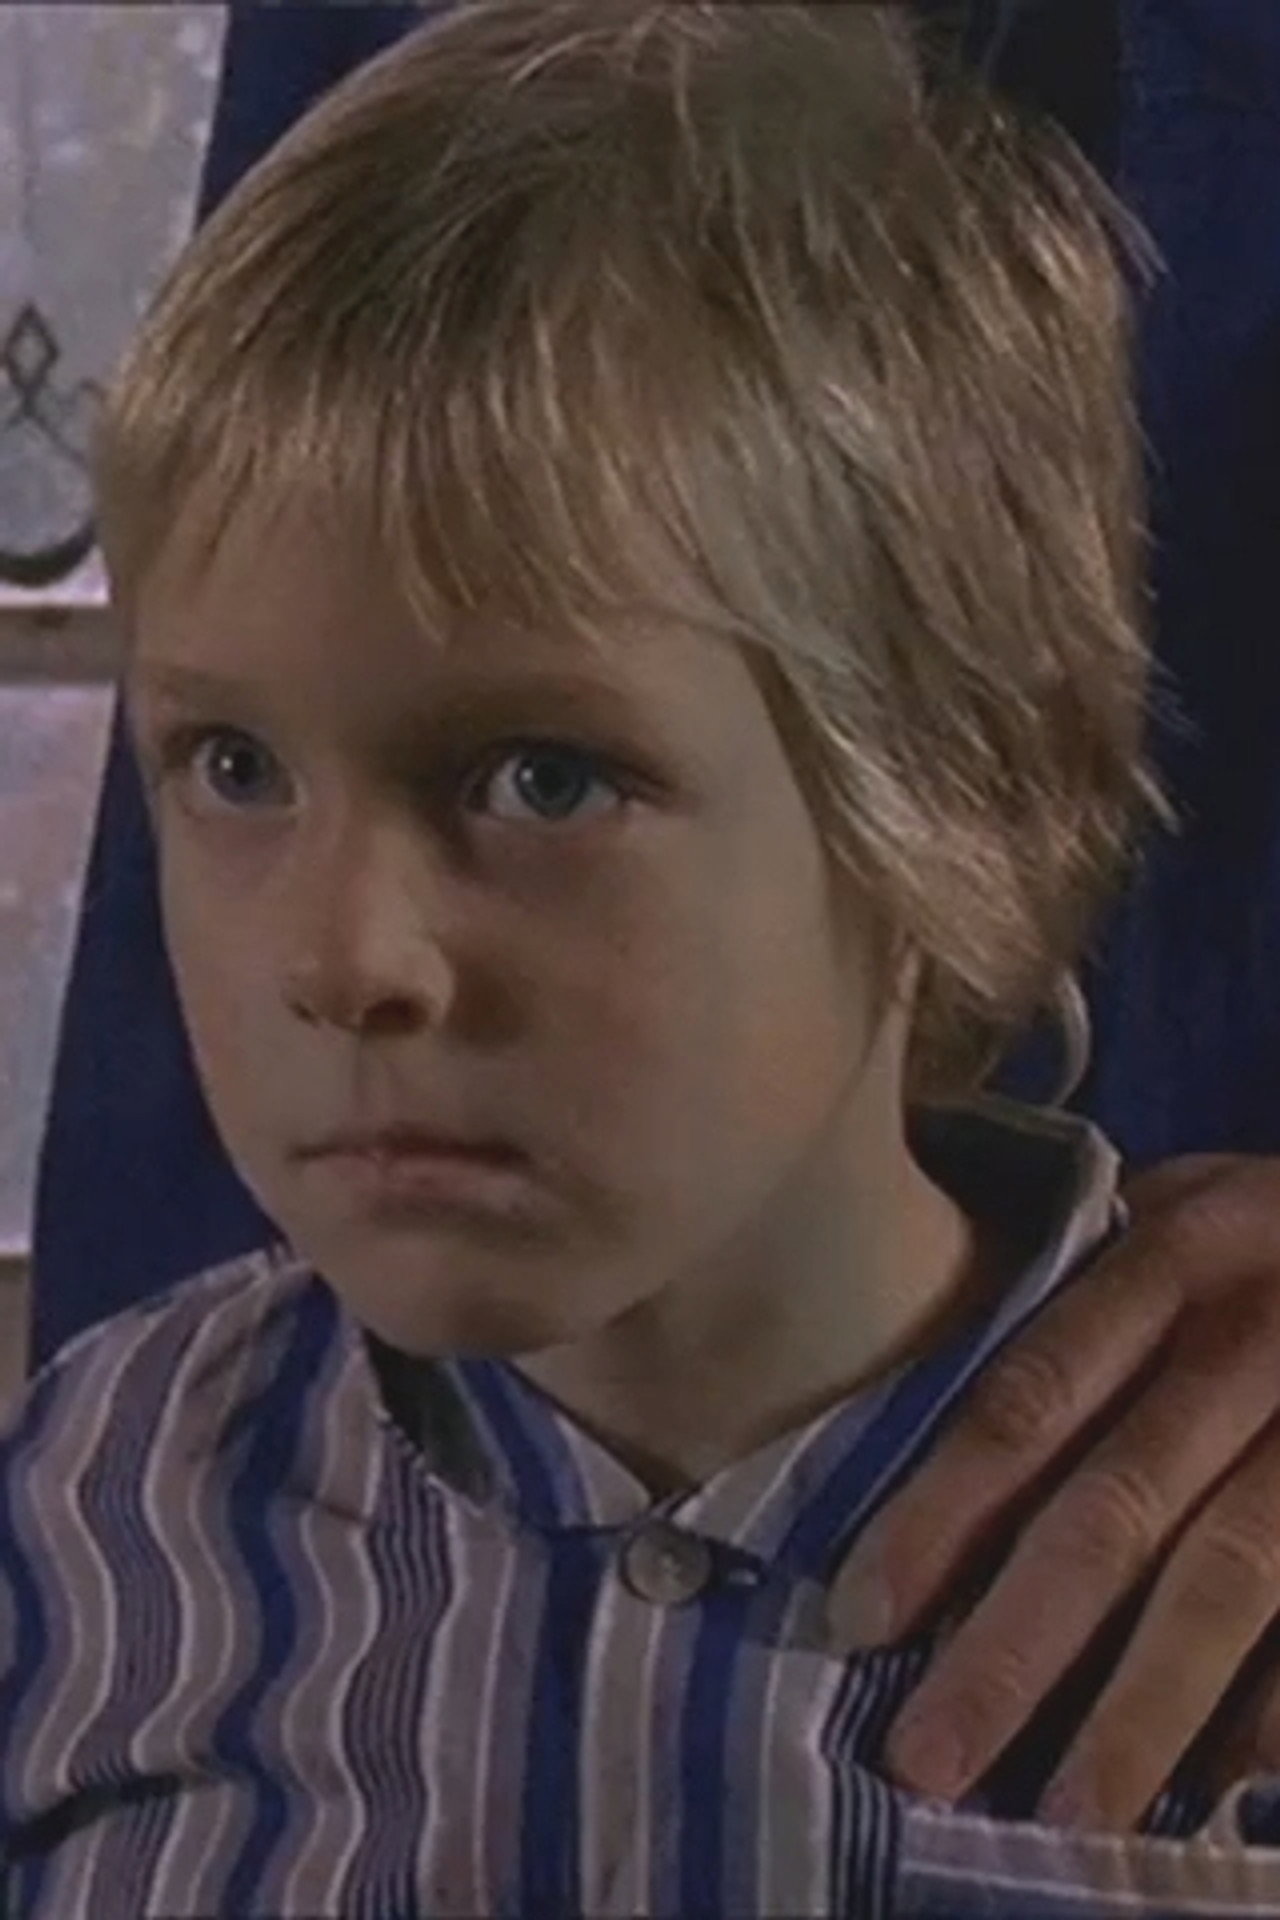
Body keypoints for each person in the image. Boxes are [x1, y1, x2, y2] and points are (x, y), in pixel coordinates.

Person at [2, 4, 1279, 1914]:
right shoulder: (88, 1518)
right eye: (236, 766)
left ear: (962, 776)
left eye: (543, 777)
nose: (347, 961)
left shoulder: (1223, 1557)